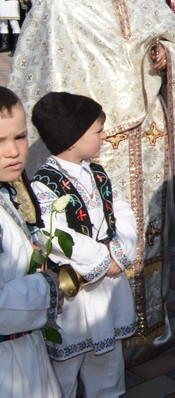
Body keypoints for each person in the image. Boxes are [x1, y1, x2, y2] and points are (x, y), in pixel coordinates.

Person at [9, 0, 175, 363]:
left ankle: (148, 330)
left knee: (144, 235)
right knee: (90, 233)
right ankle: (92, 339)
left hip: (146, 140)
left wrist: (166, 56)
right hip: (87, 147)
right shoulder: (60, 0)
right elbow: (35, 71)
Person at [30, 92, 138, 397]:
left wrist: (120, 252)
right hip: (75, 297)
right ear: (73, 138)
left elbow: (123, 212)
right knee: (63, 372)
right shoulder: (44, 184)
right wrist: (103, 260)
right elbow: (54, 233)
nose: (104, 137)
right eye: (98, 131)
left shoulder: (98, 174)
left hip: (108, 291)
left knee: (107, 367)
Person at [0, 86, 63, 397]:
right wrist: (49, 287)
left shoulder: (9, 190)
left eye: (20, 137)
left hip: (24, 348)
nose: (13, 151)